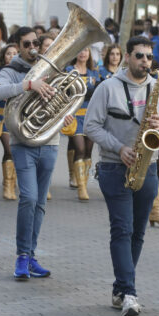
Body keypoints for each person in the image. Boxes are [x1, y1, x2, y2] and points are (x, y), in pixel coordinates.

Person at [84, 36, 159, 316]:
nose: (145, 62)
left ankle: (120, 287)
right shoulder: (108, 87)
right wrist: (119, 147)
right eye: (139, 56)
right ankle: (129, 293)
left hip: (149, 166)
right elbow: (90, 126)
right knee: (122, 229)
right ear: (127, 57)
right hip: (115, 167)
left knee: (138, 232)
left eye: (149, 57)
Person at [0, 26, 71, 280]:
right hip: (22, 141)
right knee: (29, 197)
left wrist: (64, 115)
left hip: (49, 142)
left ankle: (31, 255)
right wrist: (28, 85)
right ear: (18, 46)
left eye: (36, 42)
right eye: (27, 44)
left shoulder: (53, 69)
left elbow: (66, 98)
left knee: (40, 202)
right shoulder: (10, 71)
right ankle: (22, 256)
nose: (33, 47)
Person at [65, 46, 99, 201]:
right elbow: (66, 92)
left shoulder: (94, 72)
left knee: (89, 151)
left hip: (91, 116)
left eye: (86, 50)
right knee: (80, 148)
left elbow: (98, 93)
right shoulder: (69, 70)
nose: (83, 53)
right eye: (80, 50)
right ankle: (81, 187)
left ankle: (84, 181)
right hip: (74, 115)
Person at [0, 43, 19, 200]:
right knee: (9, 149)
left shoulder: (24, 71)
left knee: (16, 150)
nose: (12, 56)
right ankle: (7, 186)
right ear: (4, 56)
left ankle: (12, 182)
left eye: (15, 53)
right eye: (9, 53)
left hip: (19, 116)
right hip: (2, 115)